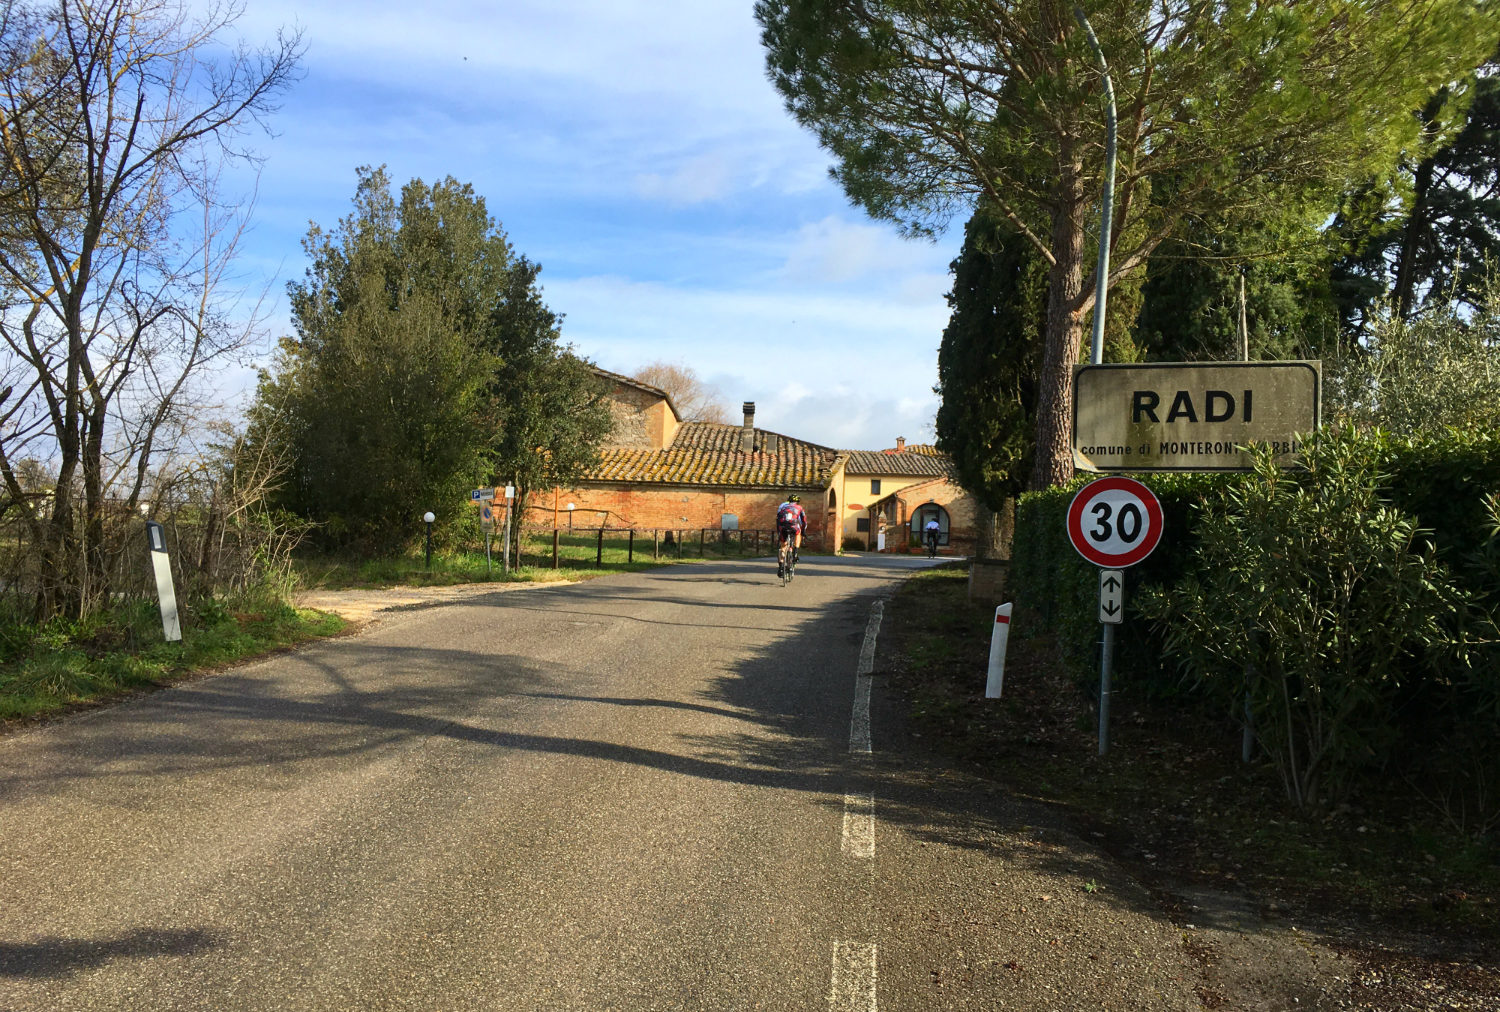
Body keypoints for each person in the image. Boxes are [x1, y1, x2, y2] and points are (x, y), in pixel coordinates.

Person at [775, 494, 807, 563]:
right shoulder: (799, 507)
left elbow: (778, 518)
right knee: (798, 533)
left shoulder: (783, 507)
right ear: (798, 502)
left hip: (783, 526)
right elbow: (804, 521)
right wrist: (803, 532)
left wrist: (779, 530)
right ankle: (795, 552)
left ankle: (781, 566)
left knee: (783, 546)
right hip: (794, 526)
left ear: (788, 501)